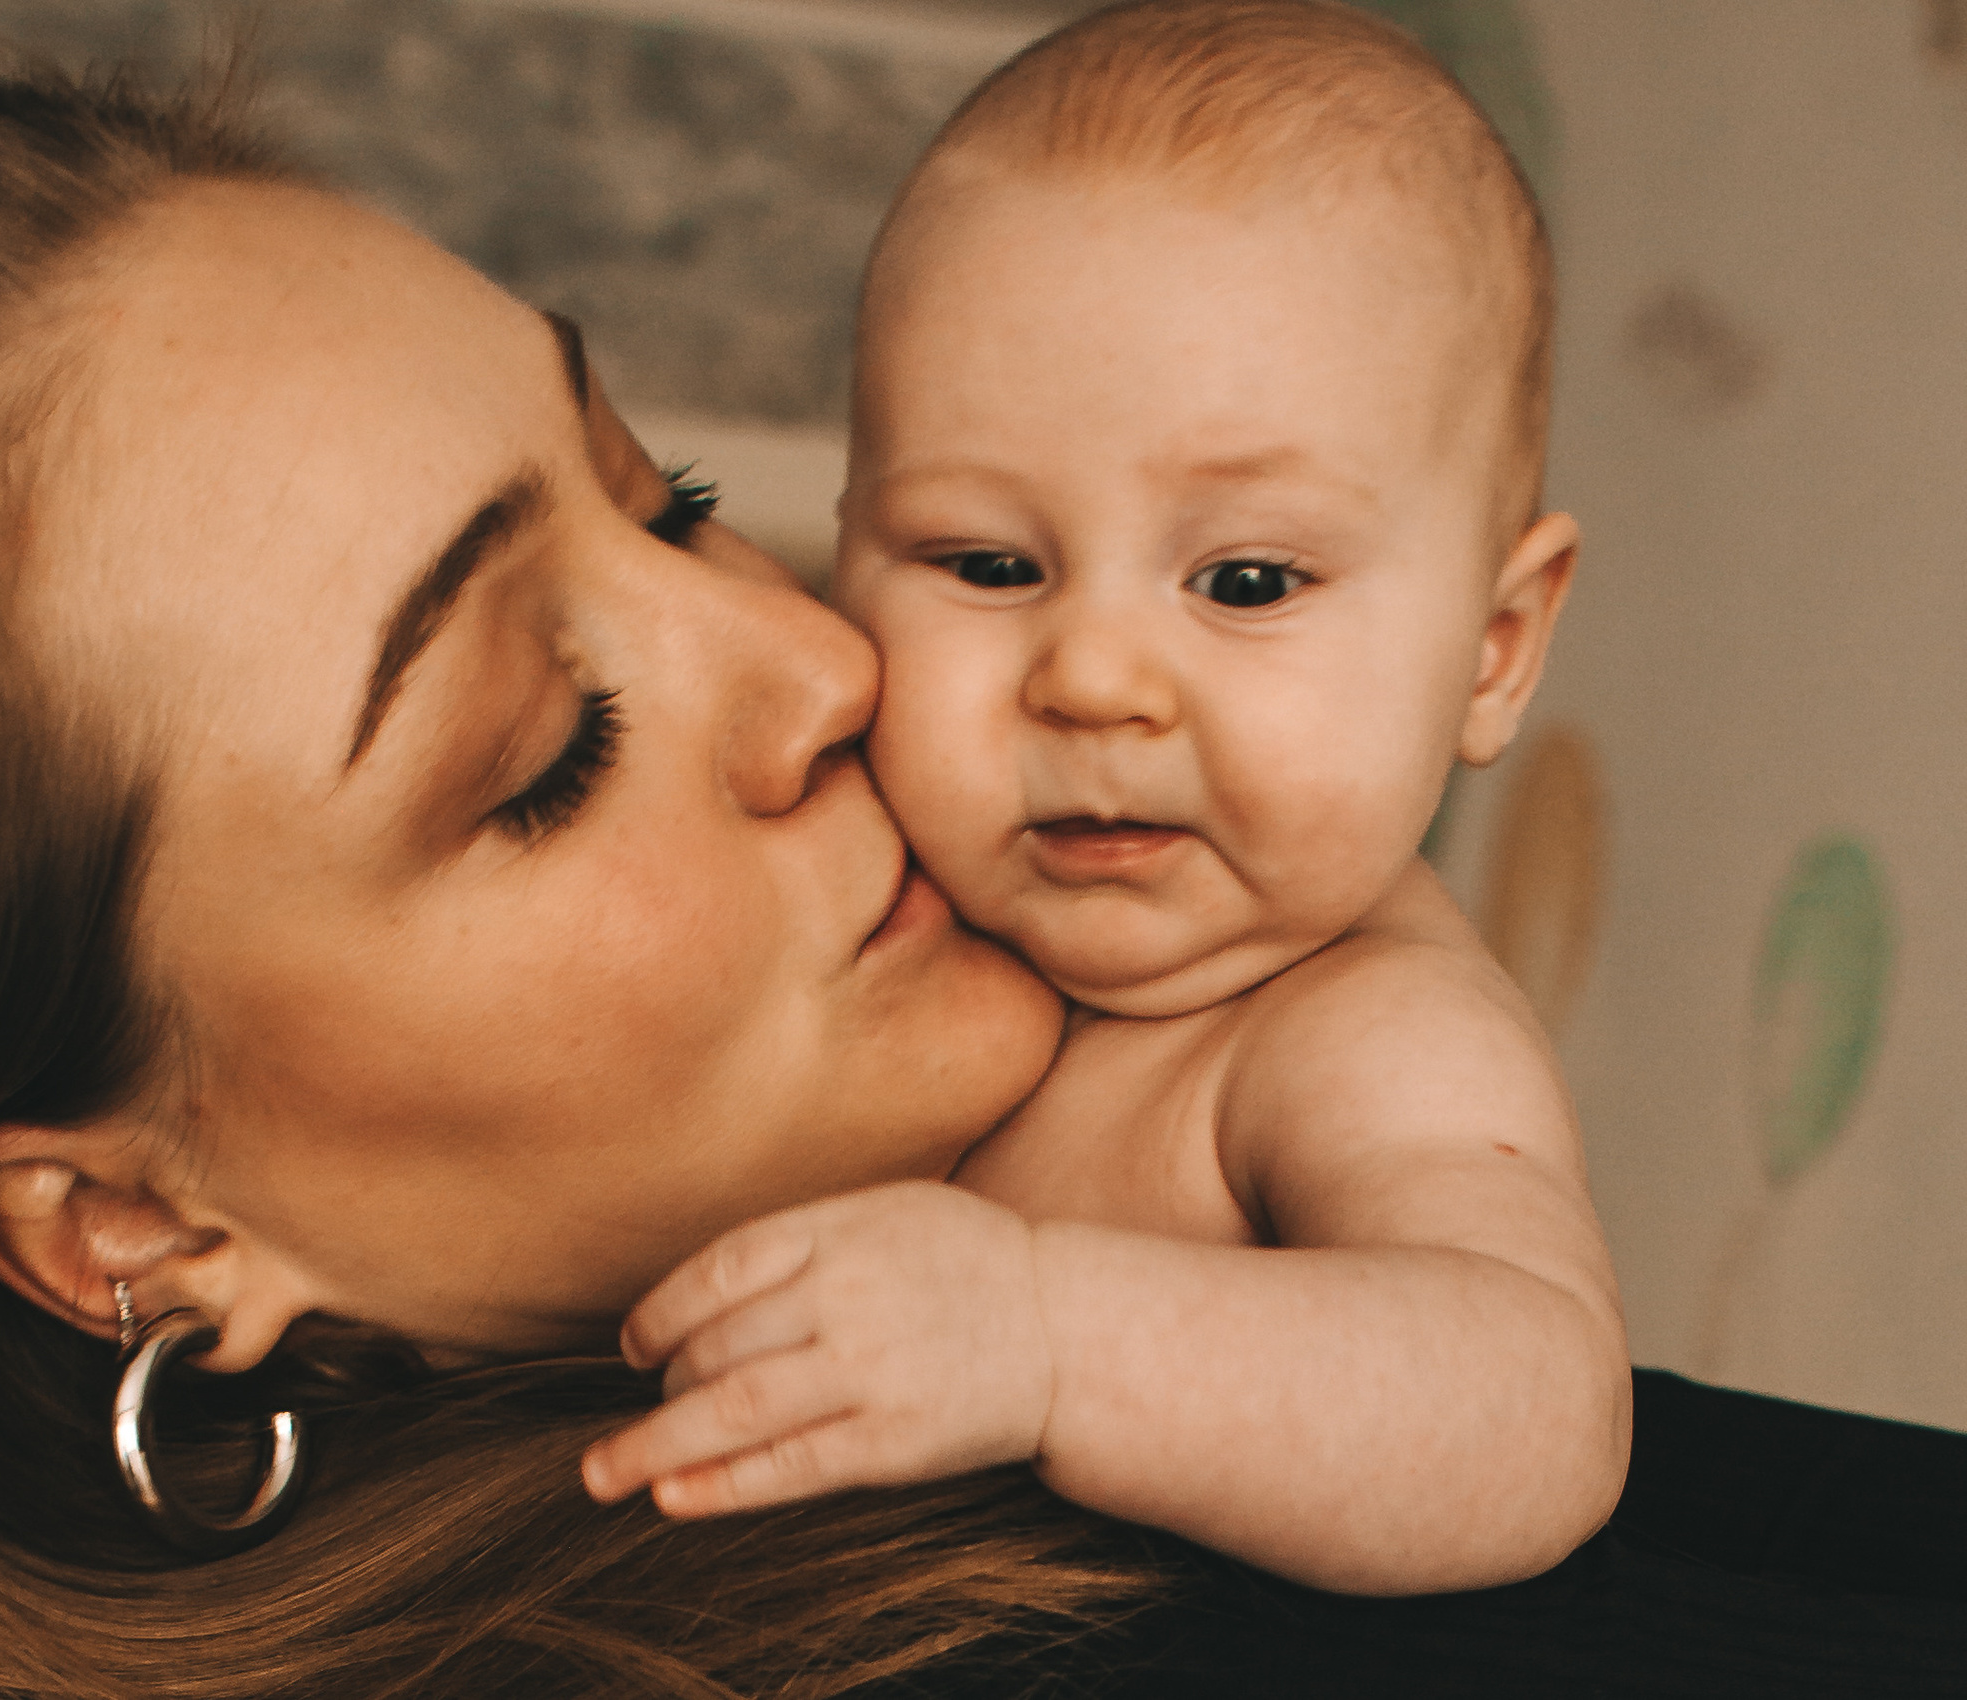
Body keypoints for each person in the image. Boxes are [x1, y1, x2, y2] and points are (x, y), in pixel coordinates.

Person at [0, 40, 1967, 1700]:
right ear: (124, 1231)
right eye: (545, 748)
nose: (826, 667)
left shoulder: (1300, 1043)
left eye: (679, 500)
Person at [581, 0, 1625, 1596]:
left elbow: (1530, 1409)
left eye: (1249, 579)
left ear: (1491, 652)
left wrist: (1050, 1341)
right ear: (850, 547)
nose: (1093, 682)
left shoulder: (1349, 1030)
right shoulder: (891, 894)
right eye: (989, 565)